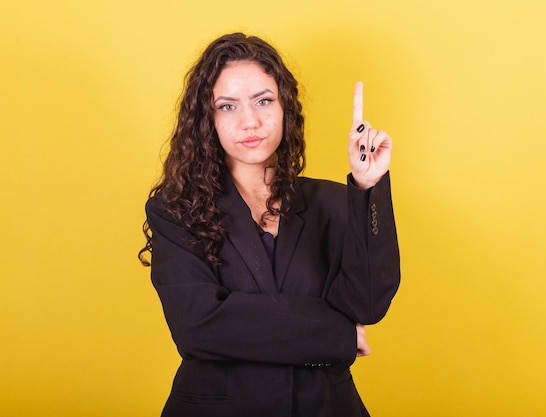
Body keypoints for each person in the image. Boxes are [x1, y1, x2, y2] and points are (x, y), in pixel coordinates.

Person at [138, 32, 400, 417]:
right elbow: (199, 326)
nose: (250, 121)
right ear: (206, 119)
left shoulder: (333, 201)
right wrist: (336, 335)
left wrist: (367, 185)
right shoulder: (175, 209)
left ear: (285, 109)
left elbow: (366, 303)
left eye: (264, 101)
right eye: (227, 107)